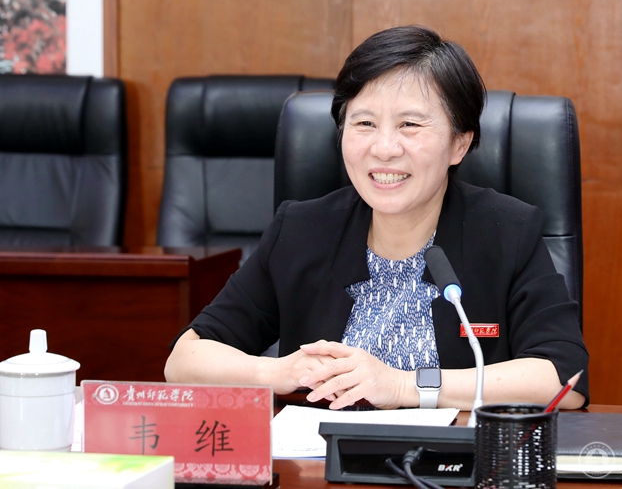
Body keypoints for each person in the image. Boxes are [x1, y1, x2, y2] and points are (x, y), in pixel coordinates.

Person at [165, 26, 589, 410]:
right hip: (319, 459)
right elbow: (184, 360)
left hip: (454, 461)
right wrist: (275, 372)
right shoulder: (301, 229)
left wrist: (405, 385)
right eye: (365, 123)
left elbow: (563, 378)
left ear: (459, 144)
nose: (385, 149)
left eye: (410, 125)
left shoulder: (507, 231)